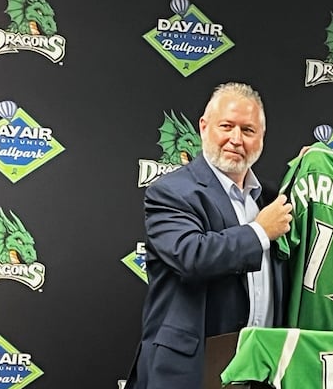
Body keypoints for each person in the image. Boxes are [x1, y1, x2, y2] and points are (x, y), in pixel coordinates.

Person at [125, 82, 293, 389]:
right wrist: (259, 232)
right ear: (204, 127)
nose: (235, 139)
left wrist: (310, 169)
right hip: (189, 372)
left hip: (259, 371)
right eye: (226, 126)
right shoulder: (171, 191)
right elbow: (190, 256)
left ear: (261, 139)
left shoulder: (272, 200)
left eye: (248, 130)